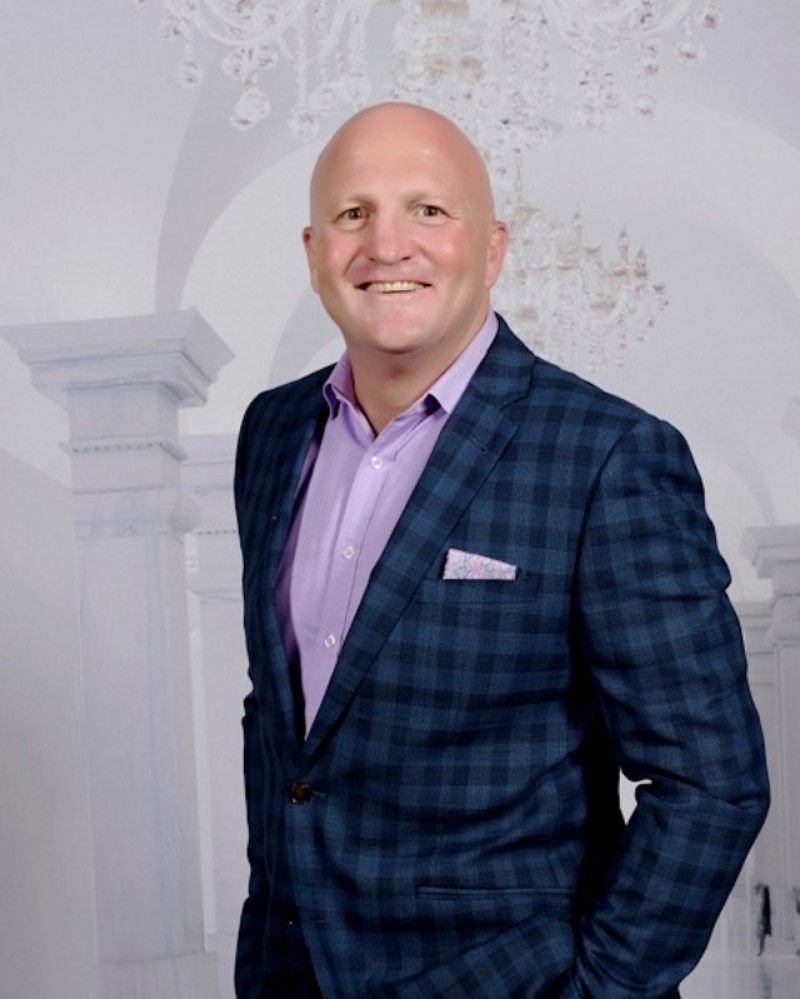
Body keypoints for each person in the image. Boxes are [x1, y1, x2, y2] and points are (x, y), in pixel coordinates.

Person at [232, 101, 769, 998]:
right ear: (314, 250)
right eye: (354, 213)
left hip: (514, 978)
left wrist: (599, 990)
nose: (387, 245)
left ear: (491, 250)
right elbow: (285, 728)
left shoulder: (609, 454)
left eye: (428, 210)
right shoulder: (272, 431)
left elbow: (712, 783)